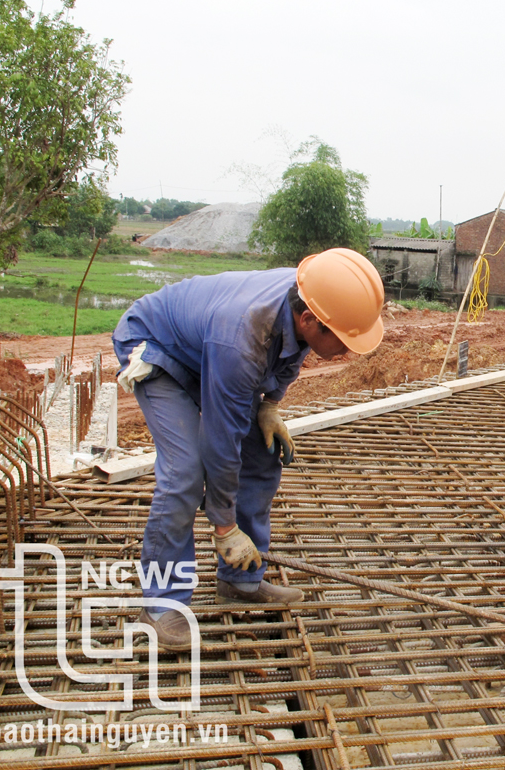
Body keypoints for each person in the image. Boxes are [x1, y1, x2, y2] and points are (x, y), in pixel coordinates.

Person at [112, 248, 385, 651]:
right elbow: (220, 441)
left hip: (208, 348)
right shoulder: (243, 336)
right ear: (309, 320)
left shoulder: (315, 296)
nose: (346, 351)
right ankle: (160, 607)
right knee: (185, 471)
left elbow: (291, 357)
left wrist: (270, 404)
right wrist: (224, 526)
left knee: (262, 446)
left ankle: (240, 579)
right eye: (342, 341)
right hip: (159, 347)